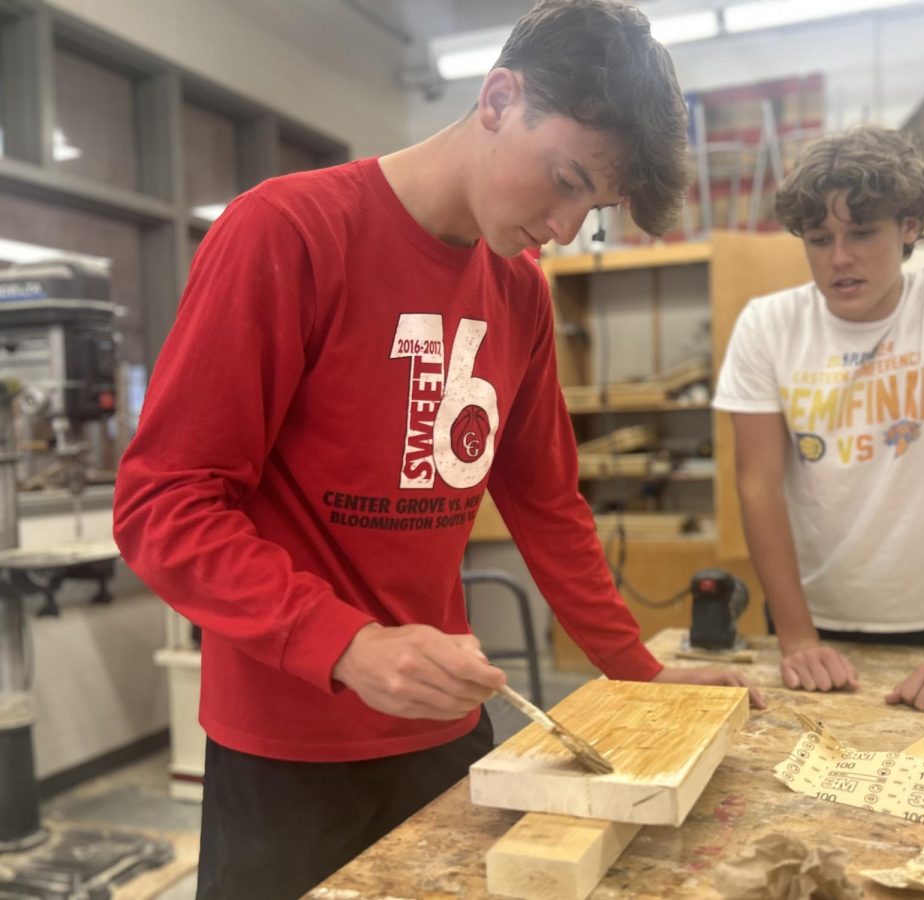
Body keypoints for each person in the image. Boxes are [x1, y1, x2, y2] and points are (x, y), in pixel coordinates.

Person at [113, 2, 761, 896]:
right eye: (567, 180)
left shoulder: (521, 295)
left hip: (445, 733)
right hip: (288, 753)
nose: (569, 228)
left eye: (596, 207)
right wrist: (342, 644)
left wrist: (640, 673)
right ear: (499, 97)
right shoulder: (290, 233)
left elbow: (550, 507)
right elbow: (164, 504)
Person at [713, 124, 924, 717]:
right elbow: (757, 486)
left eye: (863, 233)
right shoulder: (767, 325)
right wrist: (795, 636)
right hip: (807, 620)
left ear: (910, 228)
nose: (839, 258)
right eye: (819, 239)